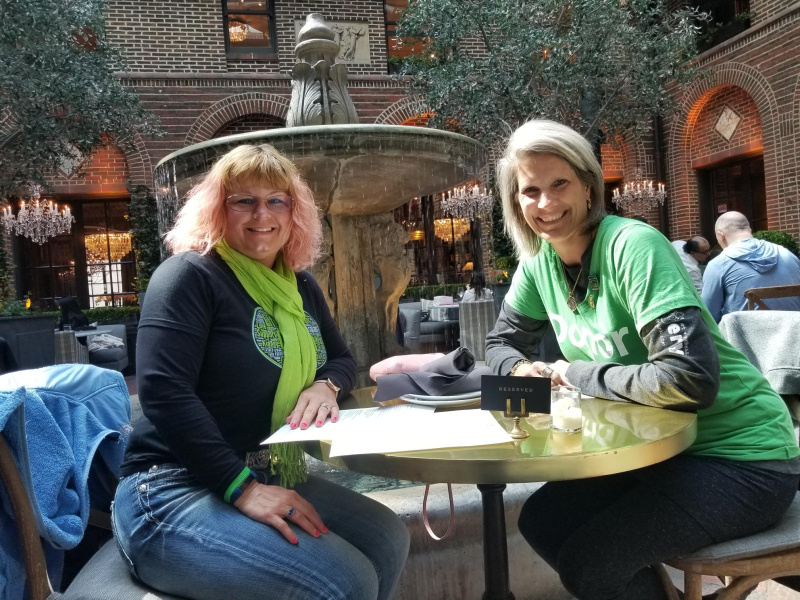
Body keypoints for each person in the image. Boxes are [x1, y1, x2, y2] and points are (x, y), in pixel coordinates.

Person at [485, 120, 799, 600]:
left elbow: (689, 380)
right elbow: (500, 343)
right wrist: (518, 369)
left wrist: (574, 373)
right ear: (516, 202)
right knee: (542, 519)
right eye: (530, 190)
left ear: (588, 187)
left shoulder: (633, 246)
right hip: (659, 454)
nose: (545, 203)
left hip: (744, 457)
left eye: (559, 183)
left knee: (592, 561)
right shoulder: (537, 266)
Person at [113, 144, 409, 600]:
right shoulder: (189, 276)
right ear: (217, 209)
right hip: (172, 488)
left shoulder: (300, 285)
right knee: (345, 582)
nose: (262, 214)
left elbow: (342, 359)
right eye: (244, 200)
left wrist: (325, 384)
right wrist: (244, 489)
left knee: (388, 539)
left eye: (276, 200)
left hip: (265, 471)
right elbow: (163, 391)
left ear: (294, 214)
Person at [702, 211, 800, 321]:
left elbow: (709, 316)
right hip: (794, 330)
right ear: (749, 230)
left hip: (746, 332)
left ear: (721, 235)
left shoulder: (719, 264)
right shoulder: (788, 255)